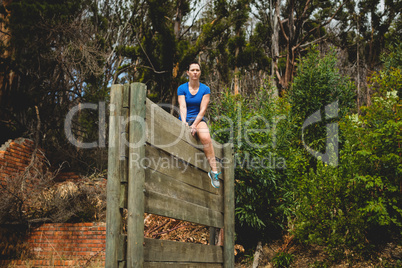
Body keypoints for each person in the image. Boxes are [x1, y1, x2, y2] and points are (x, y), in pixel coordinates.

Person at [177, 61, 221, 188]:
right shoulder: (182, 88)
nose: (195, 72)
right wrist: (184, 122)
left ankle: (214, 172)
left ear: (200, 72)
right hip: (185, 118)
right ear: (188, 73)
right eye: (192, 70)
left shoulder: (205, 89)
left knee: (206, 138)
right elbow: (183, 106)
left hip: (199, 119)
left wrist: (195, 124)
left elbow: (203, 110)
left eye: (197, 70)